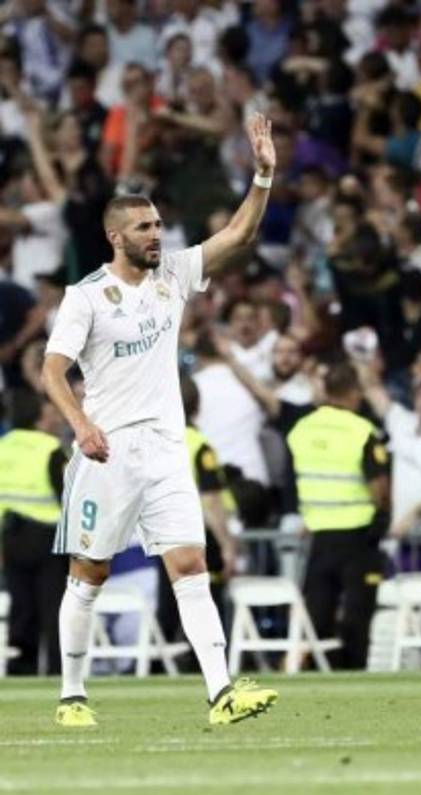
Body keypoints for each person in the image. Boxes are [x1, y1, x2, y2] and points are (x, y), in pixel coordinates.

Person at [41, 114, 279, 727]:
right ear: (116, 237)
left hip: (167, 448)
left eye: (159, 225)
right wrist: (81, 425)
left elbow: (237, 236)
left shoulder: (172, 276)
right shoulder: (85, 296)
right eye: (145, 228)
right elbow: (52, 370)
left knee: (191, 564)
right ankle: (71, 695)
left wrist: (262, 176)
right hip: (107, 451)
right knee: (88, 573)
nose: (158, 235)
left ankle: (221, 693)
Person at [285, 362, 391, 670]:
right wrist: (382, 514)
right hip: (357, 533)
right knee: (358, 613)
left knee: (318, 615)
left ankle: (320, 672)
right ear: (354, 392)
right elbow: (379, 488)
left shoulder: (301, 429)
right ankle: (353, 670)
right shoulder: (361, 430)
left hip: (318, 533)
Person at [155, 379, 240, 653]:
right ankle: (206, 662)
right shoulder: (199, 446)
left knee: (169, 601)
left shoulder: (158, 441)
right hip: (197, 534)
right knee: (206, 601)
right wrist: (227, 545)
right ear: (197, 407)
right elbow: (211, 500)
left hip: (163, 531)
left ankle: (159, 662)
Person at [0, 389, 68, 675]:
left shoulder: (4, 446)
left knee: (21, 609)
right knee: (53, 611)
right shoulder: (50, 450)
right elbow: (67, 497)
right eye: (51, 411)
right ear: (40, 417)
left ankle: (19, 670)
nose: (55, 416)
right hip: (47, 540)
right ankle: (57, 673)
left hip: (11, 537)